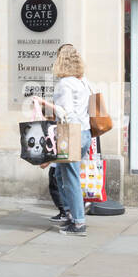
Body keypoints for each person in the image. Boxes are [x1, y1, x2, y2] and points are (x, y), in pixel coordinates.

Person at [51, 43, 92, 237]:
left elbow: (65, 112)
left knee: (71, 179)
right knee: (61, 174)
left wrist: (43, 104)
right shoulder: (83, 81)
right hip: (85, 133)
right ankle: (69, 212)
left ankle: (78, 223)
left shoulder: (65, 83)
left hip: (71, 133)